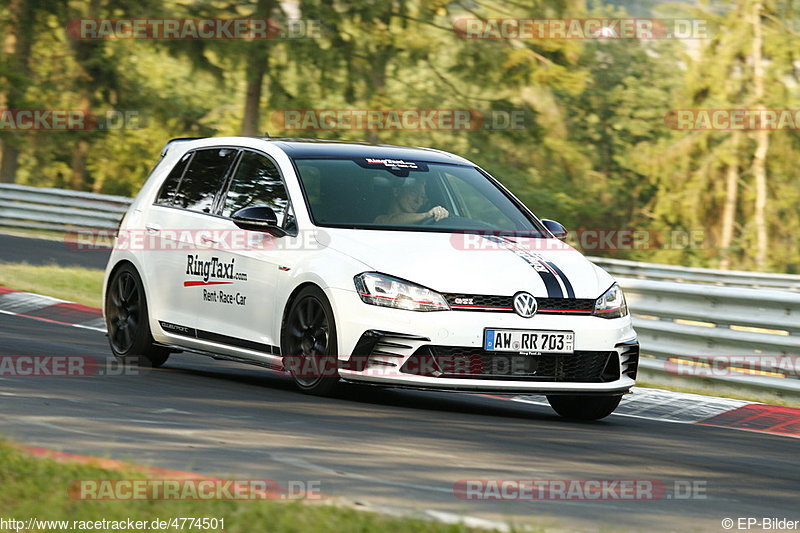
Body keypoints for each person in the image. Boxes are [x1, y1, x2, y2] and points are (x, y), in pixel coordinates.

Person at [374, 178, 449, 224]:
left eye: (422, 197)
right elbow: (390, 221)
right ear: (396, 191)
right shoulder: (380, 221)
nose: (418, 201)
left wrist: (441, 213)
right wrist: (427, 215)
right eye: (414, 192)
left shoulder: (426, 223)